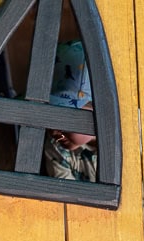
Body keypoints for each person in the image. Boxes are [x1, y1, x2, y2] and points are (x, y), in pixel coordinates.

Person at [44, 40, 97, 182]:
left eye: (65, 118)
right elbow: (65, 197)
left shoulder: (128, 143)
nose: (54, 131)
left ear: (98, 113)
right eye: (48, 117)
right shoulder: (56, 147)